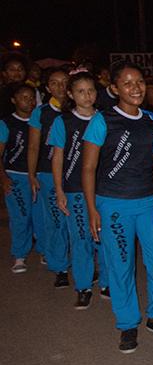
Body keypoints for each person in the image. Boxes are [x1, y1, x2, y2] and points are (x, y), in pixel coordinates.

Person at [81, 62, 153, 353]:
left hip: (149, 203)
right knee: (121, 265)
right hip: (113, 204)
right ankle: (127, 324)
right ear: (114, 89)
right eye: (127, 83)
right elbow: (88, 168)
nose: (135, 88)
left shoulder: (152, 120)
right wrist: (91, 209)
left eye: (139, 82)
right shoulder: (102, 120)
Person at [50, 71, 109, 308]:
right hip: (74, 189)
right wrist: (59, 190)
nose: (87, 96)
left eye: (91, 90)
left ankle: (107, 282)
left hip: (103, 189)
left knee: (105, 237)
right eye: (81, 91)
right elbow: (57, 157)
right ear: (71, 94)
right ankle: (83, 285)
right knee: (82, 237)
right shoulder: (63, 121)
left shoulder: (105, 118)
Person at [27, 68, 71, 287]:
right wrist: (32, 174)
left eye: (64, 82)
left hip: (75, 176)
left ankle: (84, 266)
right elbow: (34, 146)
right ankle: (59, 266)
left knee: (77, 221)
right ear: (47, 88)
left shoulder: (80, 110)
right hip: (47, 173)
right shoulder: (41, 113)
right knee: (56, 220)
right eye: (54, 83)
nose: (60, 87)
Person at [1, 84, 38, 273]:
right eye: (24, 97)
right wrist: (3, 177)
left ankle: (45, 250)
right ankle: (19, 255)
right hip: (15, 175)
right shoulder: (6, 123)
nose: (29, 101)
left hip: (37, 175)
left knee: (40, 216)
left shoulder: (39, 121)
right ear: (14, 100)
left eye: (32, 97)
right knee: (20, 216)